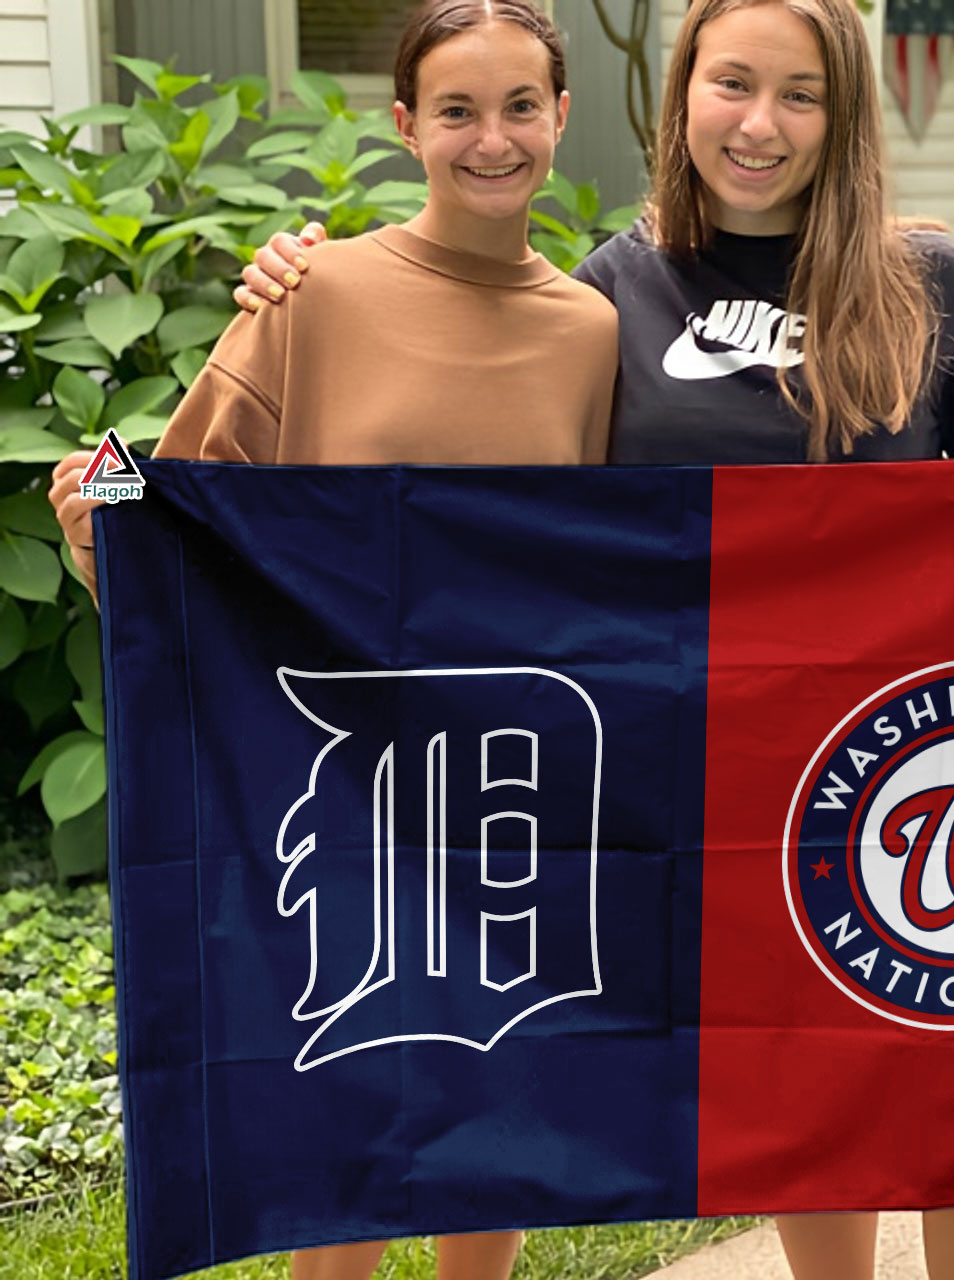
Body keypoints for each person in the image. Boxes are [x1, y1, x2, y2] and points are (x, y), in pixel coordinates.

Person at [230, 1, 954, 1277]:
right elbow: (522, 497)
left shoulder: (925, 282)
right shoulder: (615, 289)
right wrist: (302, 283)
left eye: (800, 94)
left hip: (909, 763)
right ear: (683, 97)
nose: (760, 123)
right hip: (712, 778)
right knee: (811, 1108)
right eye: (732, 83)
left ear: (843, 118)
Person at [47, 4, 616, 1280]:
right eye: (456, 111)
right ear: (403, 123)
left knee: (492, 1094)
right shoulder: (318, 290)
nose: (491, 138)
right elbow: (176, 502)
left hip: (512, 775)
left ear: (561, 118)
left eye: (520, 107)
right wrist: (97, 536)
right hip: (341, 771)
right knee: (348, 1103)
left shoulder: (591, 331)